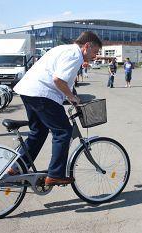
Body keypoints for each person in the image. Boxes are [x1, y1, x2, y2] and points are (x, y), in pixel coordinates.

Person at [13, 31, 102, 186]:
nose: (95, 56)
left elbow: (61, 79)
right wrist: (71, 97)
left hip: (28, 90)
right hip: (42, 93)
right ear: (86, 46)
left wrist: (70, 94)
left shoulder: (63, 49)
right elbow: (58, 80)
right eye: (95, 52)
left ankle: (16, 168)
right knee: (63, 131)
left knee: (38, 131)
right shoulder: (75, 55)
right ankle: (55, 174)